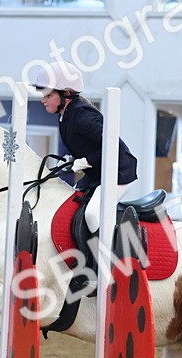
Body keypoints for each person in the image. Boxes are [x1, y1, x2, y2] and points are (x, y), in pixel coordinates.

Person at [33, 62, 138, 232]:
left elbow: (113, 146)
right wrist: (72, 160)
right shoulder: (65, 115)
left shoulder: (82, 115)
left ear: (66, 94)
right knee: (69, 205)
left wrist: (86, 161)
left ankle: (105, 256)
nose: (42, 99)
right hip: (96, 175)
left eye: (48, 95)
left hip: (118, 173)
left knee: (92, 215)